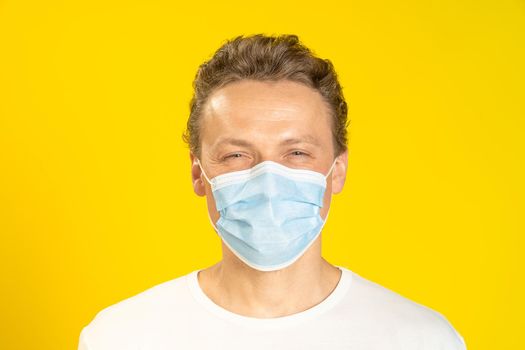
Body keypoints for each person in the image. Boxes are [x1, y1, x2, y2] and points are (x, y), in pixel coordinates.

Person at [78, 34, 467, 349]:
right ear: (199, 174)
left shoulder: (422, 339)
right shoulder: (120, 337)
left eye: (296, 153)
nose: (267, 178)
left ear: (337, 171)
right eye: (236, 154)